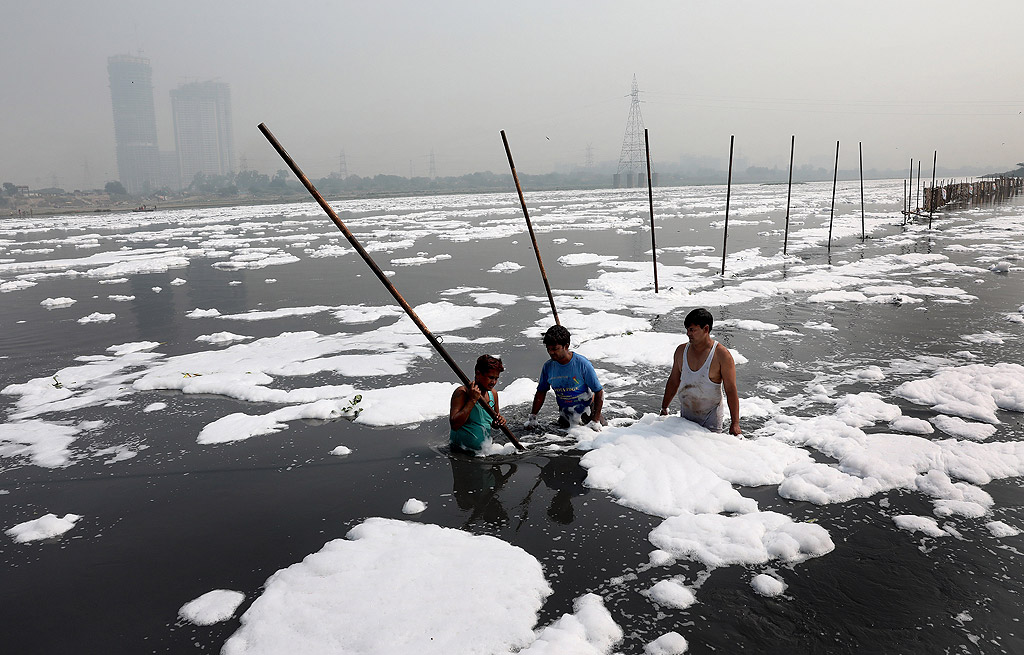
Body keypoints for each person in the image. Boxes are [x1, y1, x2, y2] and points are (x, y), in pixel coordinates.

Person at [660, 308, 741, 435]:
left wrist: (735, 423)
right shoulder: (681, 351)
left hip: (710, 420)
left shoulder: (721, 355)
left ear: (706, 329)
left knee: (706, 453)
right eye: (687, 329)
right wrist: (664, 408)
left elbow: (731, 390)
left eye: (692, 330)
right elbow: (673, 381)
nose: (688, 333)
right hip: (685, 418)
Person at [526, 325, 605, 430]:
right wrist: (533, 417)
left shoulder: (582, 364)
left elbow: (599, 391)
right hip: (566, 415)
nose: (551, 353)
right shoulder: (548, 367)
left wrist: (595, 421)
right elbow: (541, 392)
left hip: (588, 414)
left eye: (555, 349)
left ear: (566, 346)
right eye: (548, 349)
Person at [449, 354, 508, 452]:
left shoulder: (493, 394)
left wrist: (499, 421)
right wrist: (472, 400)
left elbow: (494, 423)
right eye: (490, 377)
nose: (493, 382)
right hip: (461, 452)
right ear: (478, 374)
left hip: (484, 452)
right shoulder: (462, 393)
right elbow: (455, 425)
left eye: (496, 378)